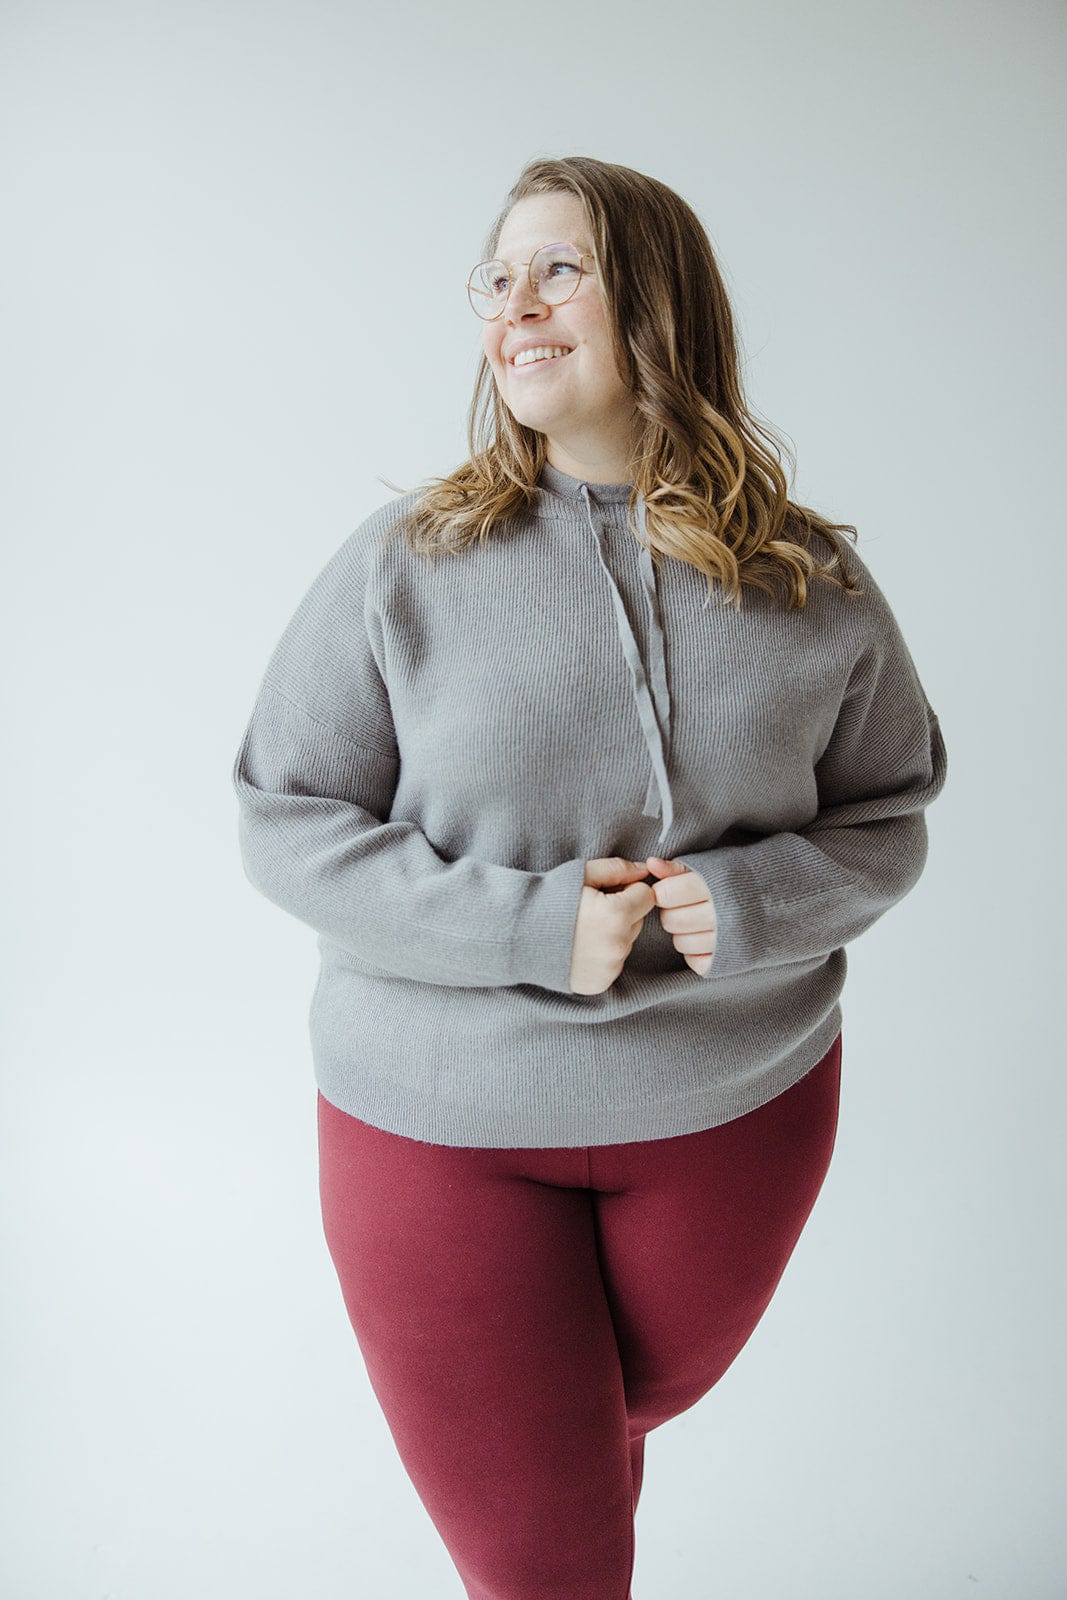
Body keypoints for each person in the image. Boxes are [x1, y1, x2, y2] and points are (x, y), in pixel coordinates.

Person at [231, 154, 948, 1600]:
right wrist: (530, 926)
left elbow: (892, 812)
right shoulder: (406, 564)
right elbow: (284, 816)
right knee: (548, 1557)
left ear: (660, 300)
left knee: (575, 1460)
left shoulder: (811, 581)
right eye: (495, 281)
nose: (516, 308)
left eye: (560, 269)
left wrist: (752, 908)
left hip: (734, 1109)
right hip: (435, 1119)